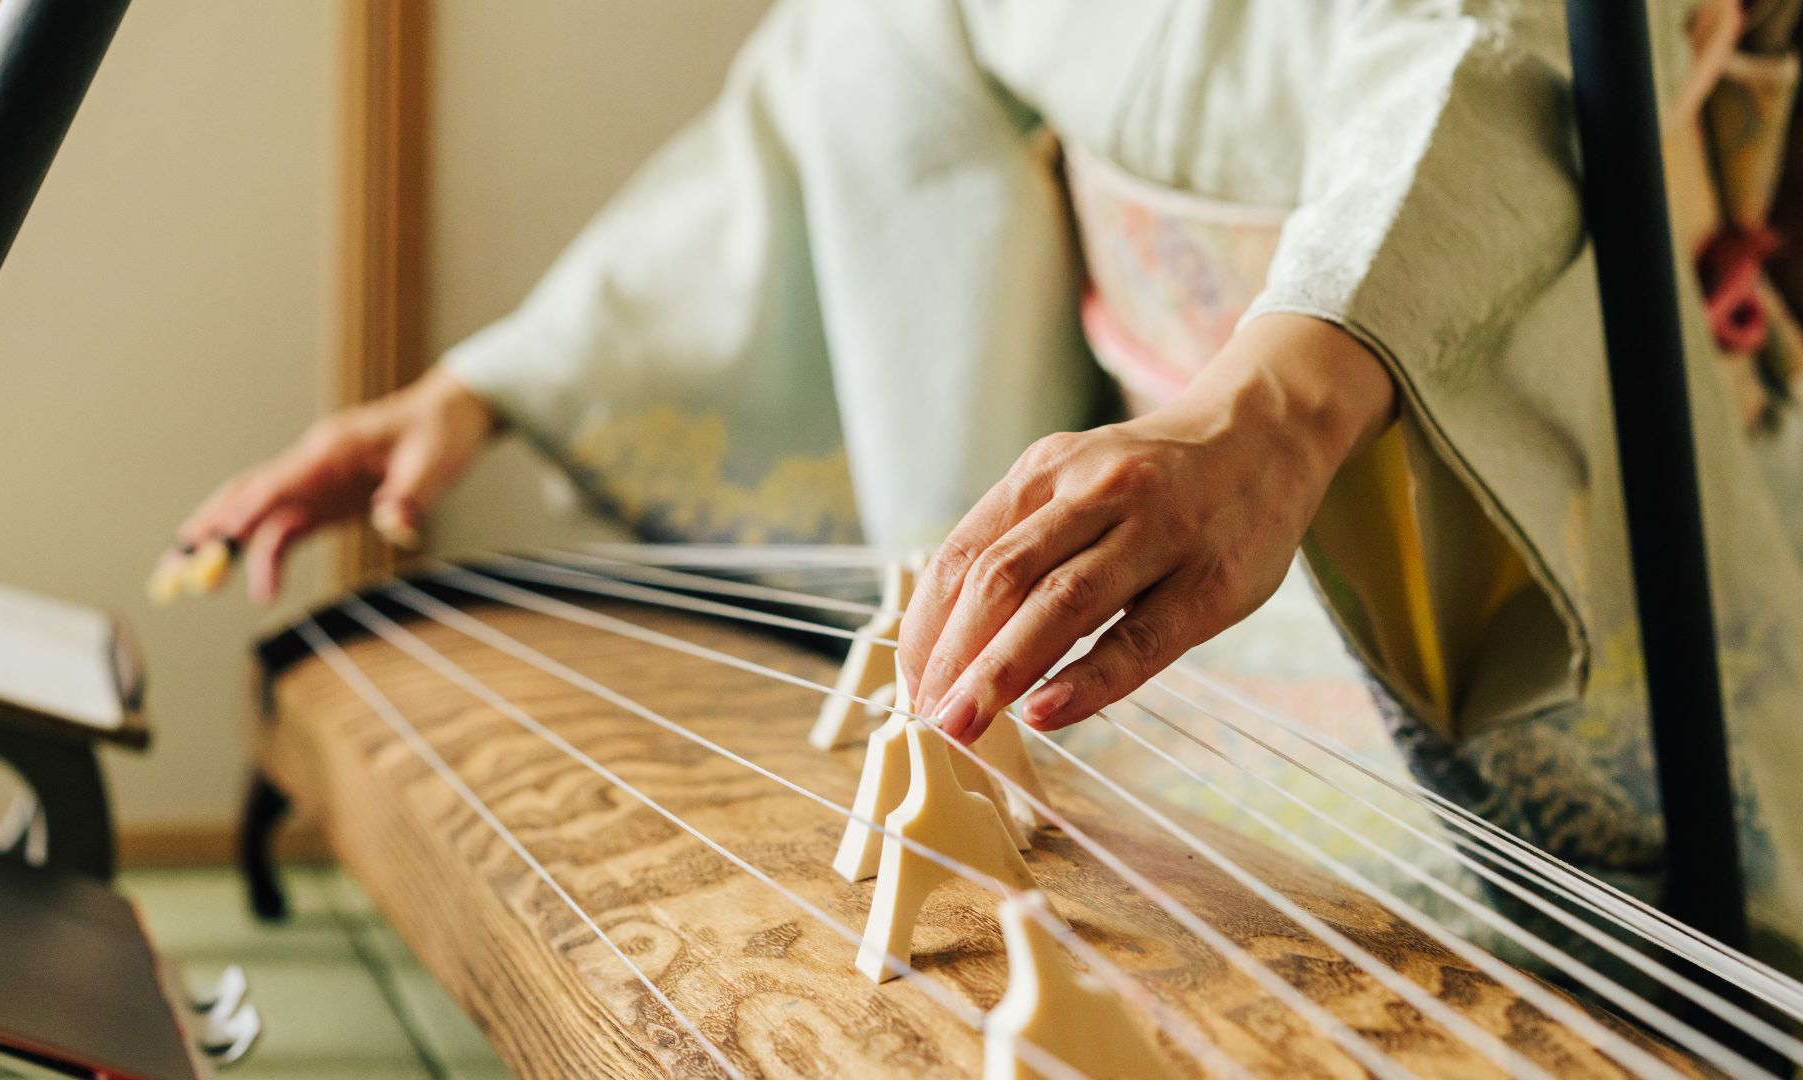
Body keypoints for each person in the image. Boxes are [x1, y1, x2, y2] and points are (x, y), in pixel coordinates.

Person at [157, 0, 1803, 970]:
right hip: (1169, 597)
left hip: (1496, 505)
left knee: (1588, 979)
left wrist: (1274, 415)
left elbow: (1505, 48)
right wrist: (485, 383)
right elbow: (841, 87)